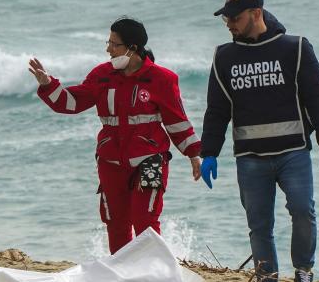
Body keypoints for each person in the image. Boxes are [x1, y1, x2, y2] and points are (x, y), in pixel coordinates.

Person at [200, 0, 319, 282]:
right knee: (259, 225)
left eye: (234, 17)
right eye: (226, 19)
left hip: (293, 151)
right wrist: (209, 152)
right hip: (250, 158)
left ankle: (304, 271)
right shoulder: (225, 57)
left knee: (303, 211)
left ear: (257, 14)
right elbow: (217, 109)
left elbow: (317, 97)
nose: (230, 23)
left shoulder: (296, 48)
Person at [28, 17, 202, 254]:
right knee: (116, 224)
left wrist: (194, 155)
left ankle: (154, 275)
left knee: (145, 222)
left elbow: (176, 120)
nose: (108, 49)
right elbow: (72, 103)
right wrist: (49, 85)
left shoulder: (162, 79)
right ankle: (122, 278)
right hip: (111, 162)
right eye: (108, 42)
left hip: (150, 159)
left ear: (132, 48)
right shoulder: (102, 75)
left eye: (114, 44)